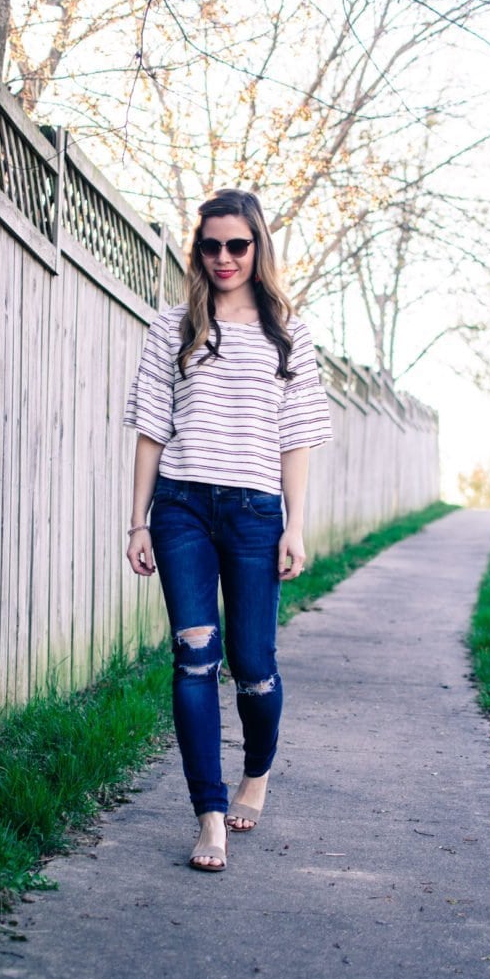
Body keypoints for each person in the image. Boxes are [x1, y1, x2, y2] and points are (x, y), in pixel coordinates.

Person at [124, 188, 332, 872]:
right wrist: (137, 521)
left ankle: (257, 774)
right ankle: (208, 816)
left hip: (252, 515)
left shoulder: (287, 333)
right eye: (209, 245)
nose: (222, 258)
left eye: (236, 245)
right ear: (197, 249)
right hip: (180, 508)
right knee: (193, 659)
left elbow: (295, 439)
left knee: (252, 667)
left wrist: (294, 526)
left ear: (257, 247)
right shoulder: (172, 326)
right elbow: (153, 427)